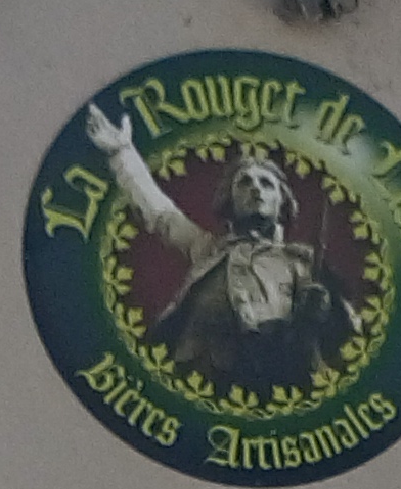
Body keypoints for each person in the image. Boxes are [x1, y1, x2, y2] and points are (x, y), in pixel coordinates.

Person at [85, 104, 358, 396]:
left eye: (267, 184)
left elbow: (342, 332)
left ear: (282, 203)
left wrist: (321, 311)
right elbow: (161, 213)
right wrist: (122, 153)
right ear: (229, 200)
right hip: (199, 375)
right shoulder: (207, 248)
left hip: (272, 381)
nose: (256, 189)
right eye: (245, 183)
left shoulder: (303, 262)